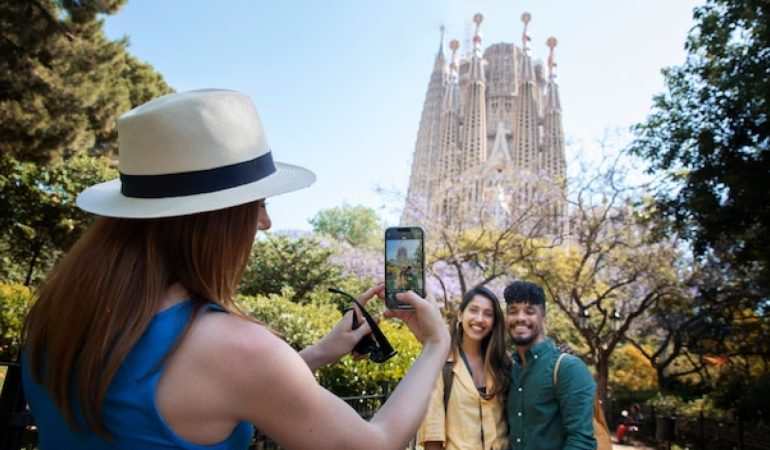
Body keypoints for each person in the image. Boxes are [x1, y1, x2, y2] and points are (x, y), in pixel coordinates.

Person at [21, 89, 450, 450]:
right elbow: (376, 443)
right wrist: (436, 343)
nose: (265, 223)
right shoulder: (235, 348)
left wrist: (317, 354)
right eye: (259, 205)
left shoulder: (56, 316)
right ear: (214, 219)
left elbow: (180, 396)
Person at [504, 280, 597, 450]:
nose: (520, 318)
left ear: (544, 321)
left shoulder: (568, 368)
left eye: (529, 311)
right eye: (513, 311)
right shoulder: (511, 370)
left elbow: (581, 441)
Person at [418, 286, 511, 450]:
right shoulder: (441, 363)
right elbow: (433, 435)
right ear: (460, 314)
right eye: (474, 310)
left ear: (494, 322)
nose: (480, 319)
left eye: (488, 314)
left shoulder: (503, 363)